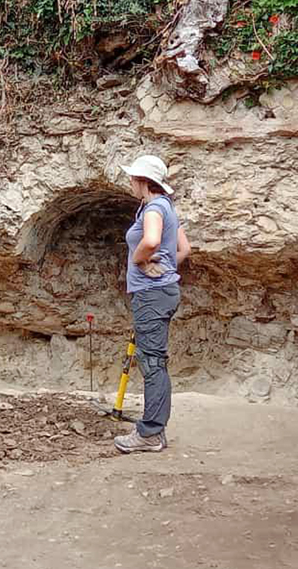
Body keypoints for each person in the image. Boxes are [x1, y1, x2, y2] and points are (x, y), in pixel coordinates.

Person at [114, 155, 190, 454]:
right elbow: (184, 249)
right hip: (162, 291)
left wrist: (139, 261)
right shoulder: (163, 207)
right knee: (154, 360)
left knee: (152, 363)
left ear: (144, 182)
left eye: (133, 179)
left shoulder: (154, 209)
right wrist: (168, 268)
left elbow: (152, 241)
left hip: (152, 295)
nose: (130, 183)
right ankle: (154, 430)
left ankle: (151, 434)